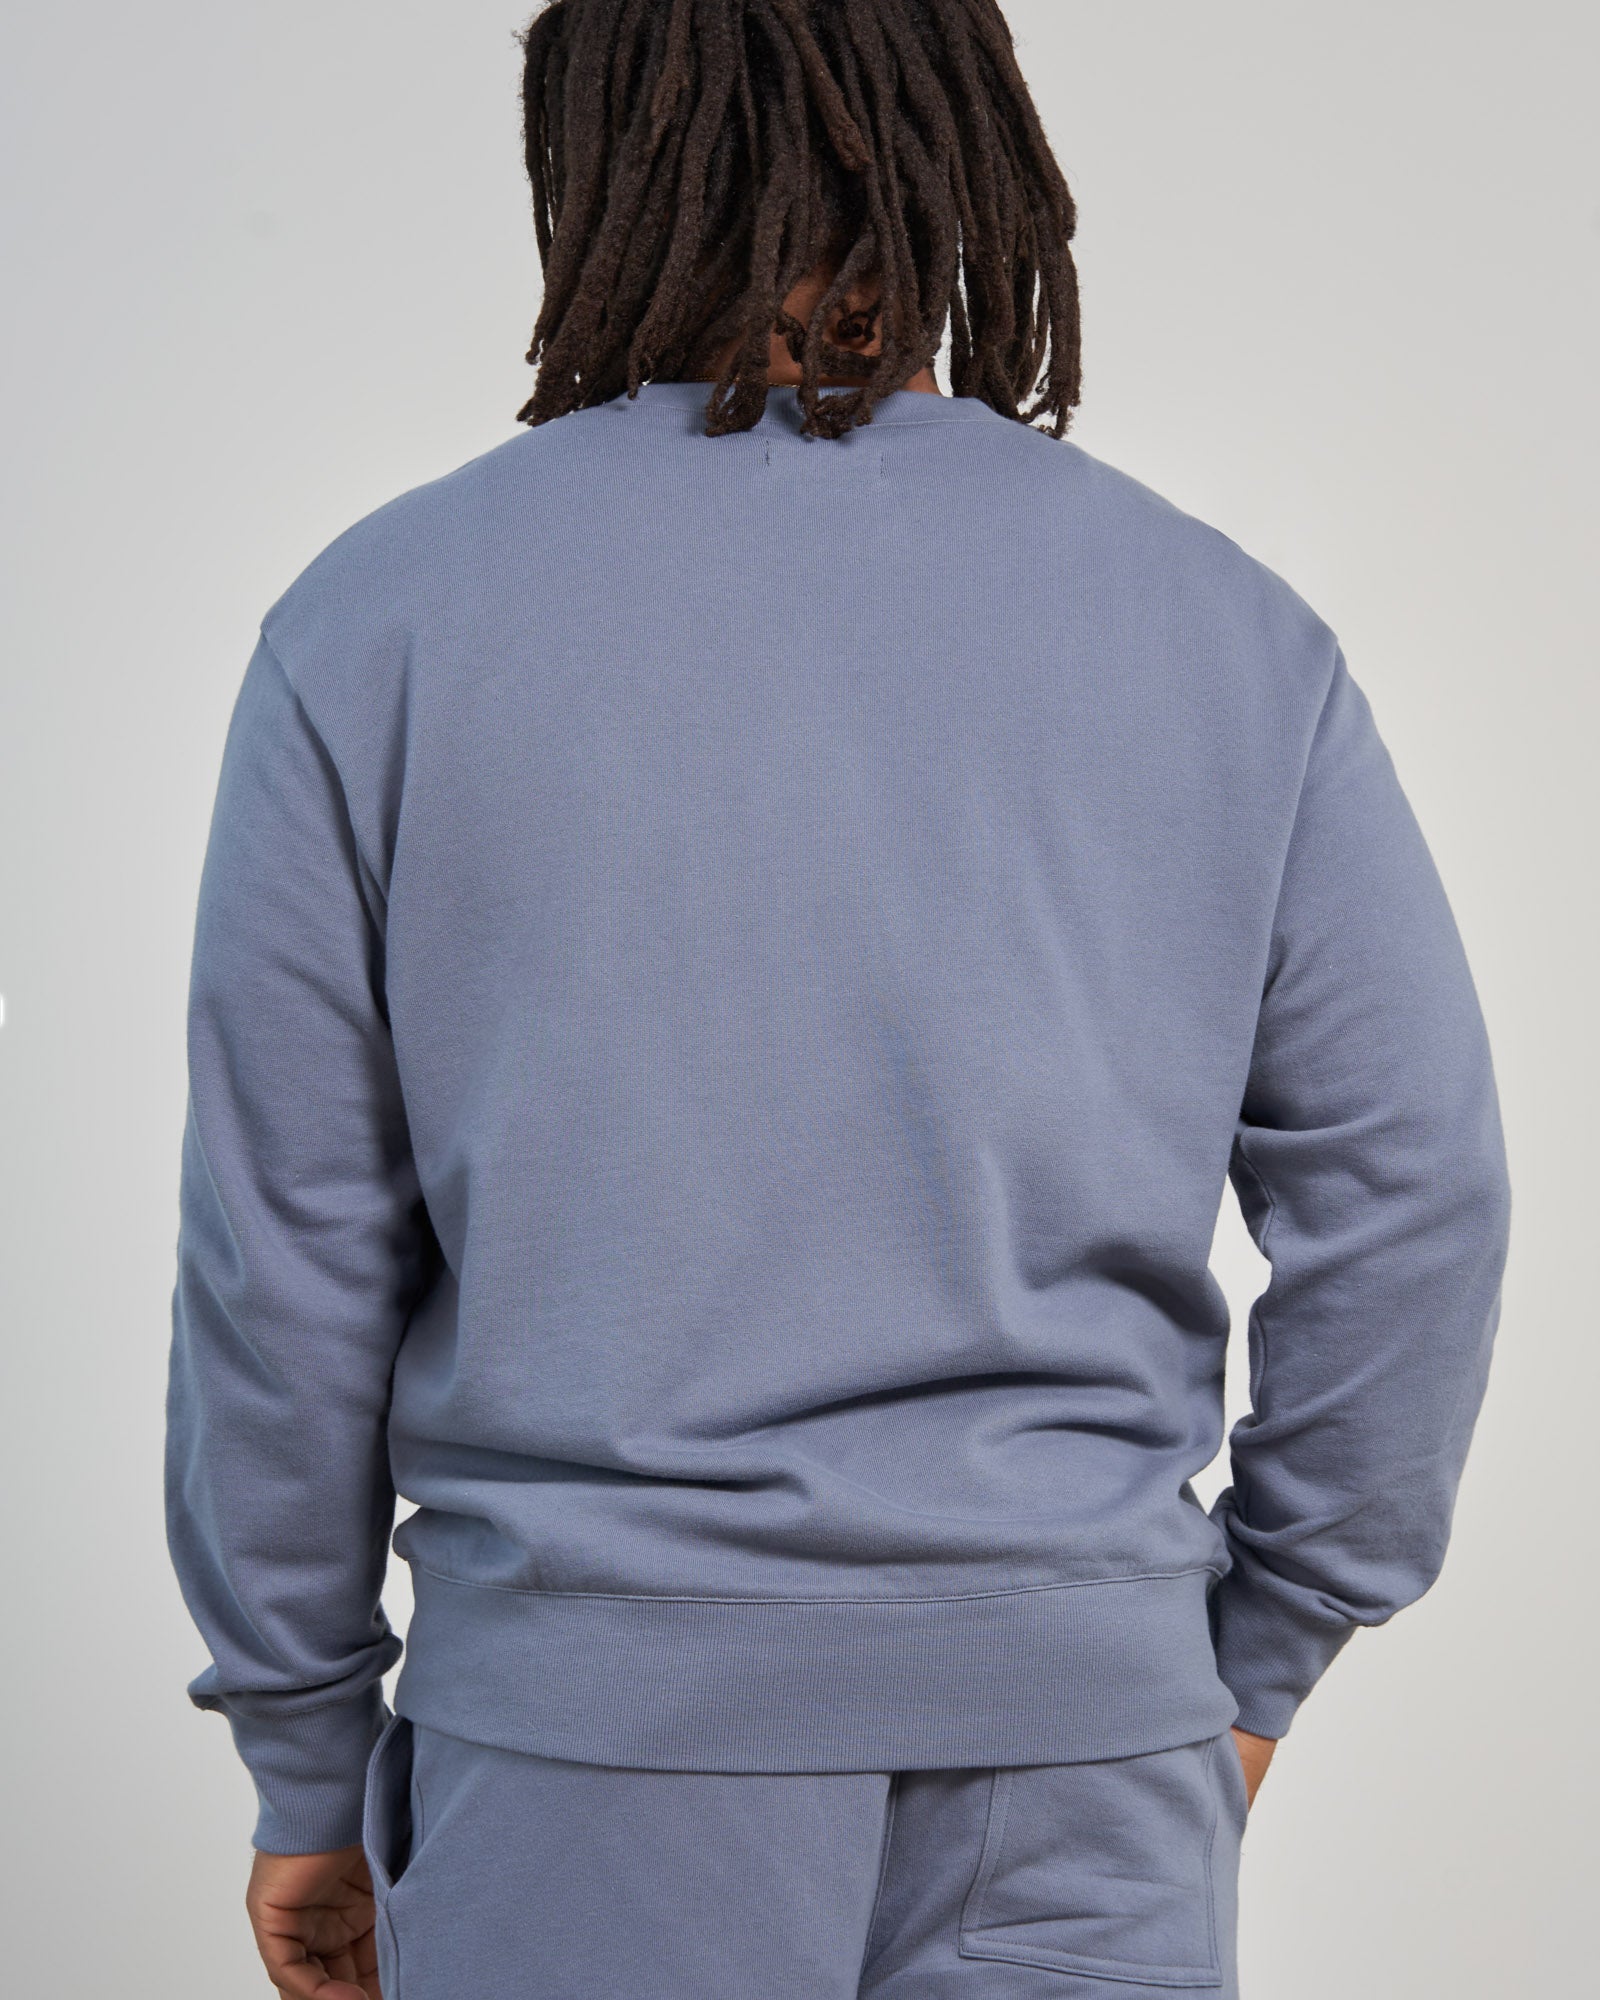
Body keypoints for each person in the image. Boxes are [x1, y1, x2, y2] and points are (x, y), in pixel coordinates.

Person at [162, 3, 1512, 1996]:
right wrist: (1248, 1661)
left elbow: (282, 1261)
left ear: (596, 161)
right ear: (965, 153)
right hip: (1083, 1759)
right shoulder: (1223, 628)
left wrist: (302, 1755)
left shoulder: (379, 623)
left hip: (586, 1765)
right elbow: (1414, 1193)